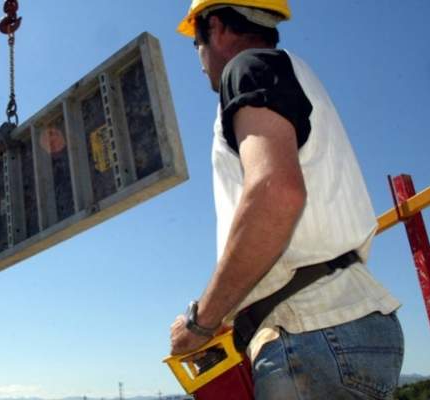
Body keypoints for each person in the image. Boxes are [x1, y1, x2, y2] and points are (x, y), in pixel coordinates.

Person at [168, 1, 404, 399]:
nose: (198, 58)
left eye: (196, 42)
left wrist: (201, 322)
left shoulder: (247, 68)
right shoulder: (289, 73)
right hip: (348, 325)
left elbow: (275, 193)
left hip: (309, 332)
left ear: (217, 27)